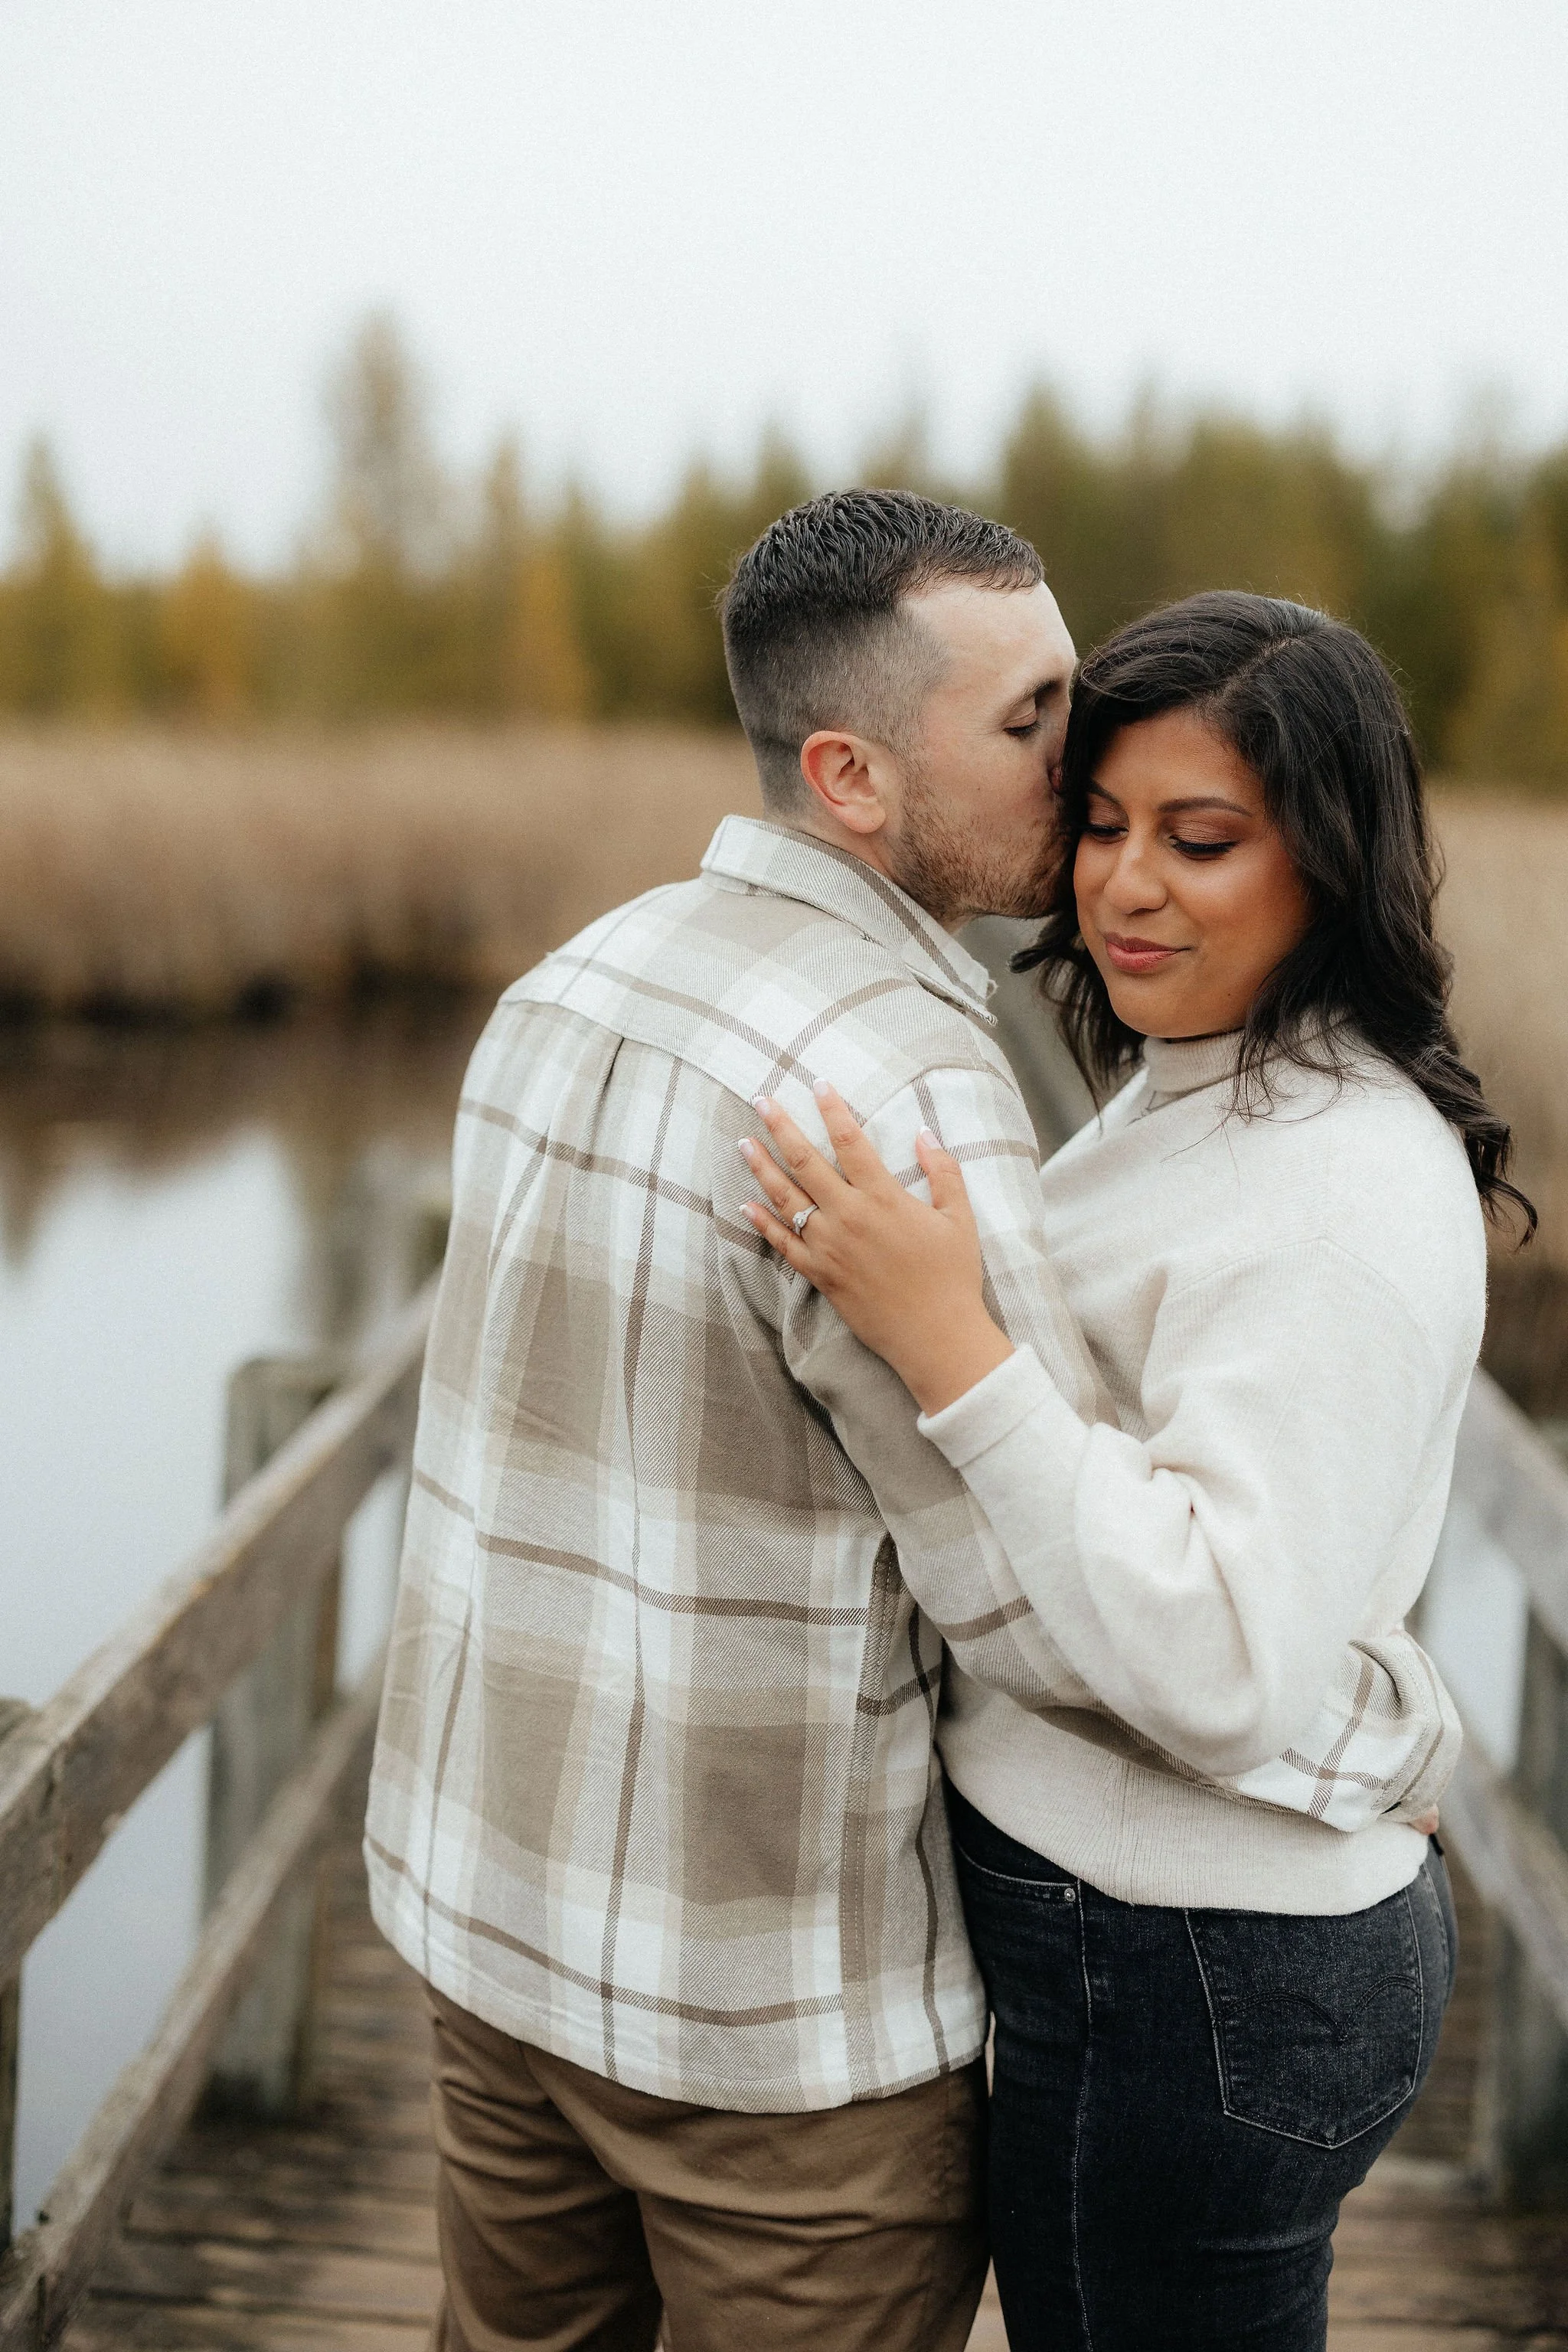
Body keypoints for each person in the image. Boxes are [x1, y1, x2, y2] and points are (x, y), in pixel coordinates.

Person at [364, 501, 1458, 2352]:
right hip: (760, 2014)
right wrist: (1376, 1721)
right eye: (1039, 731)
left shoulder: (575, 978)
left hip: (488, 1923)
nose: (1082, 761)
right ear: (852, 771)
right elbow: (1038, 1620)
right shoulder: (901, 1077)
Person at [740, 590, 1534, 2352]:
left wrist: (953, 1345)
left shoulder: (1332, 1183)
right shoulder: (1215, 1081)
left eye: (1200, 840)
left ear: (1327, 861)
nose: (1123, 886)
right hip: (1175, 1947)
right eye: (1101, 825)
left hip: (1186, 1974)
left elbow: (1219, 1655)